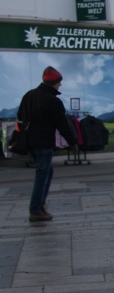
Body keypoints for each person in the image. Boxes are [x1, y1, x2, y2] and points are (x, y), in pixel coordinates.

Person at [17, 66, 77, 223]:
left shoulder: (29, 95)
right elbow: (62, 124)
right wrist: (73, 142)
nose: (60, 85)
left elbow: (20, 116)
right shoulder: (53, 101)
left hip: (30, 142)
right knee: (42, 174)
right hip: (43, 142)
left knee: (47, 172)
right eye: (59, 82)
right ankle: (35, 210)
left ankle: (40, 206)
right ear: (54, 82)